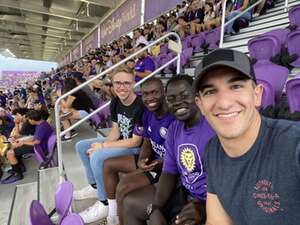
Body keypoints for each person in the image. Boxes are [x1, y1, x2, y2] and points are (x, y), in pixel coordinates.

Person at [193, 48, 300, 225]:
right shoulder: (213, 149)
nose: (224, 103)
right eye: (210, 91)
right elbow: (217, 221)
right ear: (200, 105)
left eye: (236, 86)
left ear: (257, 95)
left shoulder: (294, 145)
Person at [123, 75, 215, 225]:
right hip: (186, 193)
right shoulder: (174, 129)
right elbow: (169, 172)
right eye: (172, 98)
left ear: (197, 97)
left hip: (210, 201)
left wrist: (204, 207)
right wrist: (157, 206)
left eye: (185, 95)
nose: (178, 102)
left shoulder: (213, 128)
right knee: (131, 204)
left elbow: (227, 184)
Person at [73, 66, 144, 223]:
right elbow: (115, 132)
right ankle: (94, 186)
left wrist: (103, 147)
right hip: (122, 141)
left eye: (126, 83)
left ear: (133, 84)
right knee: (82, 146)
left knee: (98, 156)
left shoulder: (140, 105)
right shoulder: (115, 102)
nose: (122, 87)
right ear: (112, 84)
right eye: (117, 82)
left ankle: (104, 202)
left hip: (136, 148)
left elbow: (136, 140)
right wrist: (101, 143)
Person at [102, 77, 175, 225]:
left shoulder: (174, 118)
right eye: (146, 94)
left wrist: (154, 163)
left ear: (164, 92)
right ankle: (113, 217)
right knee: (108, 164)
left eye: (154, 92)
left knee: (123, 186)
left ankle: (118, 220)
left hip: (165, 169)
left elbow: (175, 156)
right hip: (151, 160)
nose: (149, 98)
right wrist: (142, 158)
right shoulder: (147, 113)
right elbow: (147, 141)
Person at [1, 110, 53, 184]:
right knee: (14, 147)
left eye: (29, 120)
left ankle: (18, 174)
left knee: (9, 153)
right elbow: (36, 137)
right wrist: (21, 142)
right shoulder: (42, 123)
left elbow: (36, 142)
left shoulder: (41, 127)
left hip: (40, 148)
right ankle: (18, 167)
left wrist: (23, 142)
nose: (28, 121)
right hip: (41, 145)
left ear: (32, 119)